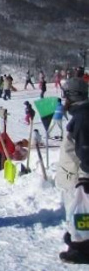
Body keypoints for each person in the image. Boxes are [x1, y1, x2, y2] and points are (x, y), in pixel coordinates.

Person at [55, 77, 89, 264]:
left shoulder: (82, 118)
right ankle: (78, 244)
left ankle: (81, 249)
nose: (63, 100)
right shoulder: (81, 115)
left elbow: (85, 149)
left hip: (78, 176)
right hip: (75, 175)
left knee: (81, 215)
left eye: (65, 95)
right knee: (79, 215)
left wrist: (85, 177)